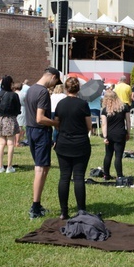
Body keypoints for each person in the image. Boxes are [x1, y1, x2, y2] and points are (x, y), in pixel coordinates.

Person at [25, 66, 62, 219]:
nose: (54, 85)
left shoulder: (30, 89)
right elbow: (40, 118)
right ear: (52, 76)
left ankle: (37, 204)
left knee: (44, 167)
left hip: (30, 130)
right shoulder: (43, 92)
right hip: (40, 131)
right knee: (40, 169)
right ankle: (35, 207)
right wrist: (56, 124)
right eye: (55, 81)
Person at [54, 77, 92, 219]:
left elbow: (56, 123)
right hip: (80, 143)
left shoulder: (61, 104)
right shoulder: (83, 104)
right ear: (78, 89)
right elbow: (89, 126)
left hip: (63, 142)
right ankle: (81, 210)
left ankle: (64, 212)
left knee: (64, 177)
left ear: (66, 88)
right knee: (78, 177)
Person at [101, 90, 131, 180]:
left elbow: (104, 124)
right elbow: (128, 121)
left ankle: (106, 174)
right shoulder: (124, 107)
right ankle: (120, 175)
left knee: (108, 155)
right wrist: (128, 132)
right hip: (120, 134)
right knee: (118, 156)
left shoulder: (105, 110)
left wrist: (105, 136)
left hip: (109, 134)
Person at [0, 75, 21, 173]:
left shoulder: (0, 94)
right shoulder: (14, 95)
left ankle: (0, 167)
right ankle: (9, 167)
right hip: (10, 119)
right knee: (10, 143)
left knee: (1, 143)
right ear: (10, 83)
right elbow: (18, 109)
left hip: (0, 119)